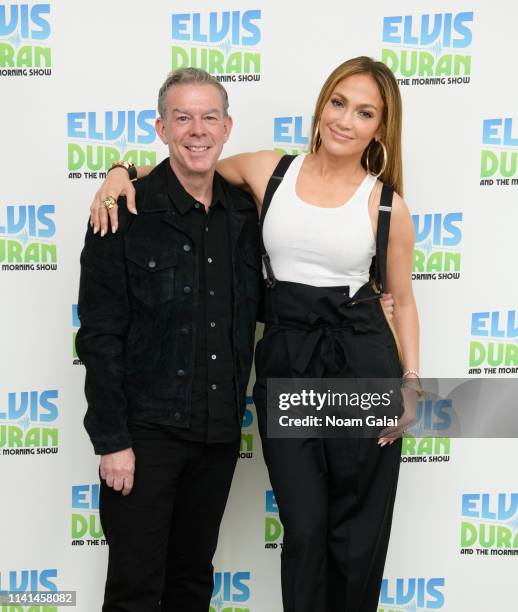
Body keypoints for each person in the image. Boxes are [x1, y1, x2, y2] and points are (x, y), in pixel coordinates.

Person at [90, 57, 417, 612]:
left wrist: (411, 386)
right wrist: (122, 170)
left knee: (356, 531)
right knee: (306, 525)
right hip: (289, 359)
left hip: (362, 362)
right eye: (339, 103)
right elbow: (190, 164)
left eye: (364, 113)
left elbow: (403, 299)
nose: (345, 120)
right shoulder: (270, 171)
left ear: (379, 128)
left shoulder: (387, 203)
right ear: (321, 106)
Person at [75, 68, 264, 612]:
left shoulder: (243, 216)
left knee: (190, 585)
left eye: (209, 118)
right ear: (161, 127)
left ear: (227, 128)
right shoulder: (123, 212)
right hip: (144, 438)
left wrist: (368, 302)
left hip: (218, 434)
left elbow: (271, 301)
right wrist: (112, 441)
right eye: (183, 118)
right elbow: (101, 336)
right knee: (136, 588)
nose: (196, 130)